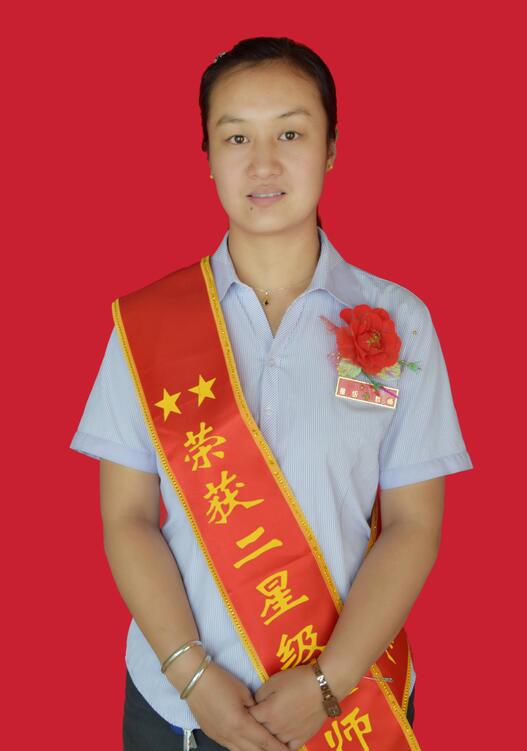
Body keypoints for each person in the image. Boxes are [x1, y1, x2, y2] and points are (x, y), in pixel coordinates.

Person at [70, 36, 473, 751]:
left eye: (290, 133)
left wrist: (327, 683)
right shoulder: (149, 324)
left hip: (350, 702)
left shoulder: (396, 321)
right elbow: (126, 517)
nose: (263, 163)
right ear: (207, 155)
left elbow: (414, 524)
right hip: (178, 704)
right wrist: (195, 677)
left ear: (331, 147)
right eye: (236, 137)